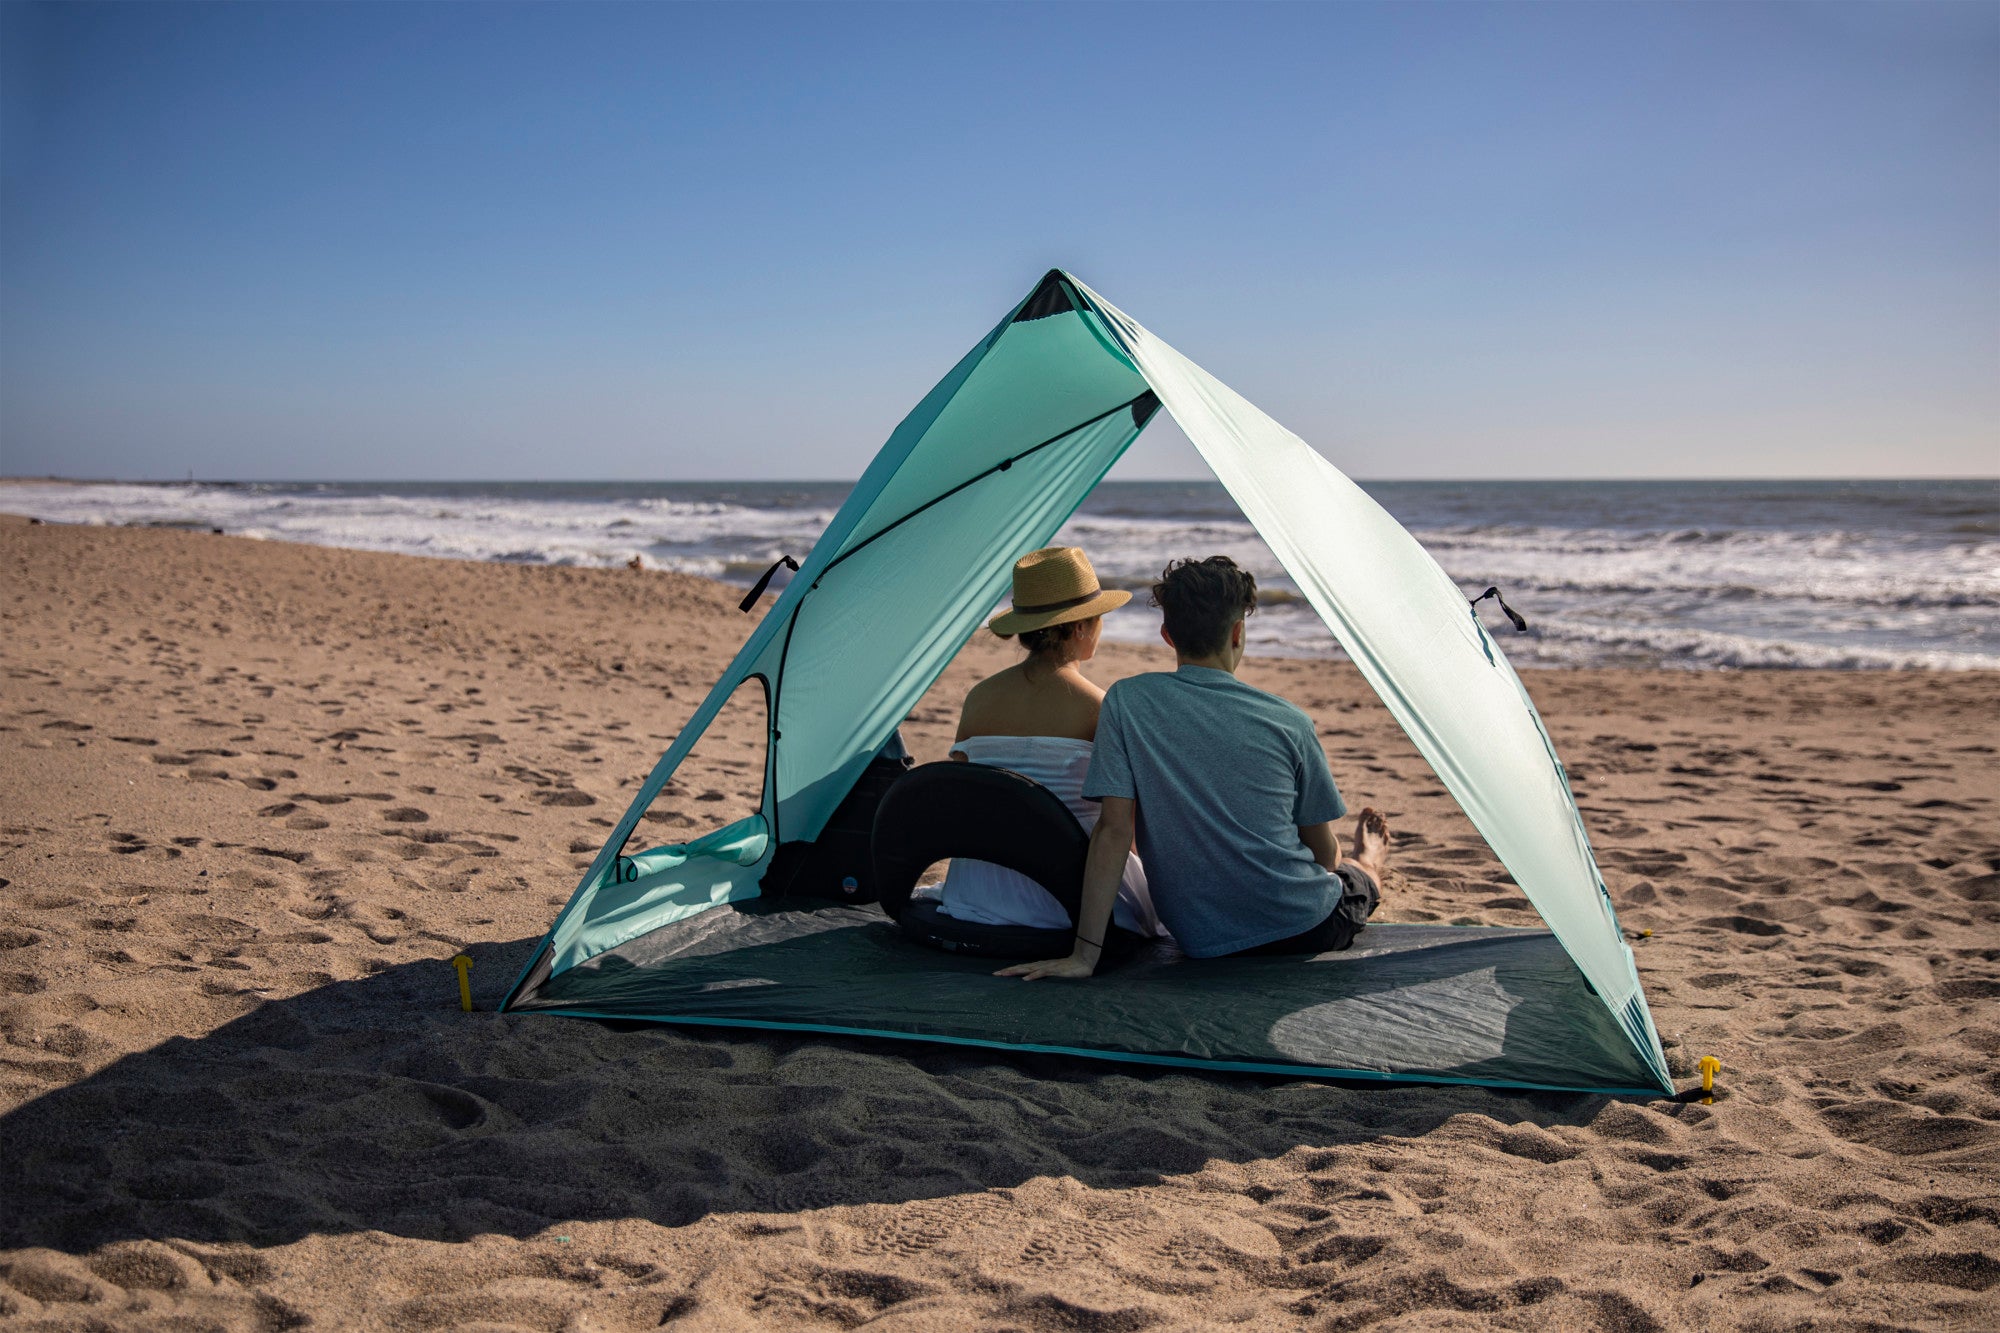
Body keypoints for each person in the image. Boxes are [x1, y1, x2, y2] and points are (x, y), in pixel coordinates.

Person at [997, 555, 1389, 981]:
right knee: (1354, 876)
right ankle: (1370, 860)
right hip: (1305, 926)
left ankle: (1363, 861)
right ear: (1238, 632)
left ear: (1167, 635)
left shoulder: (1127, 702)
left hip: (1200, 937)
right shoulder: (1289, 721)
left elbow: (1113, 831)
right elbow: (1324, 857)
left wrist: (1083, 957)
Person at [929, 546, 1163, 939]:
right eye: (1099, 618)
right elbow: (1120, 823)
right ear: (1079, 628)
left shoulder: (980, 697)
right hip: (1065, 896)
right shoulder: (1097, 705)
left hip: (980, 890)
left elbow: (962, 793)